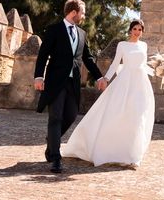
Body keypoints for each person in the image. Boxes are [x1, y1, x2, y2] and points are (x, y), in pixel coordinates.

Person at [63, 19, 155, 168]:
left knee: (138, 116)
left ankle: (133, 156)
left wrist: (160, 70)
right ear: (130, 30)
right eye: (135, 29)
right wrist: (105, 78)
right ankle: (112, 150)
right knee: (117, 114)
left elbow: (143, 65)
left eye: (140, 30)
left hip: (141, 84)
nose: (137, 32)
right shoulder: (123, 45)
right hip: (125, 82)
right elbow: (115, 64)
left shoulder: (144, 46)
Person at [34, 0, 107, 173]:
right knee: (56, 118)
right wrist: (38, 76)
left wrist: (99, 77)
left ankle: (52, 142)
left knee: (72, 115)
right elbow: (43, 55)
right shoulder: (54, 30)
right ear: (74, 12)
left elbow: (87, 58)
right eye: (82, 12)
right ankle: (56, 158)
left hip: (72, 83)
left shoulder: (81, 34)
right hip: (55, 82)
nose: (84, 16)